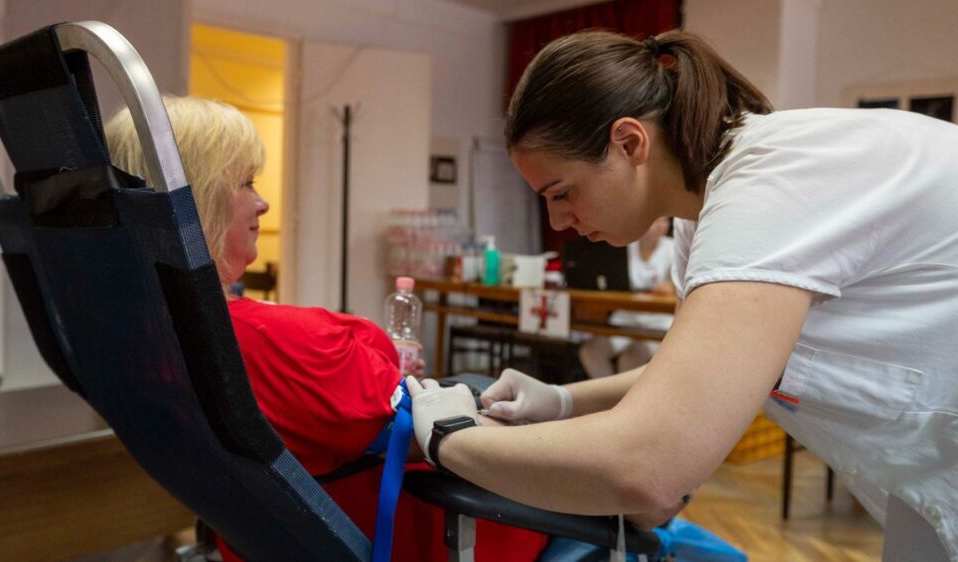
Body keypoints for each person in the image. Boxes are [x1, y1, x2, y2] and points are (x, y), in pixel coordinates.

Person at [406, 29, 958, 561]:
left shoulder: (771, 184)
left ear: (629, 142)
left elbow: (649, 470)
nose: (558, 221)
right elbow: (700, 381)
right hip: (926, 480)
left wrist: (451, 439)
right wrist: (562, 400)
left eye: (562, 192)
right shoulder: (701, 221)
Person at [105, 96, 547, 562]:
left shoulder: (139, 336)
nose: (263, 203)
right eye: (247, 183)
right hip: (423, 535)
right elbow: (435, 435)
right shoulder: (274, 342)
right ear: (197, 202)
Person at [578, 216, 674, 378]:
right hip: (626, 316)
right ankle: (608, 392)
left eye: (665, 221)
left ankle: (625, 395)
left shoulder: (673, 248)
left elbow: (680, 285)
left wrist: (670, 287)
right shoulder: (624, 247)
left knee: (629, 360)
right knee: (590, 352)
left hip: (658, 320)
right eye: (656, 220)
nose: (661, 225)